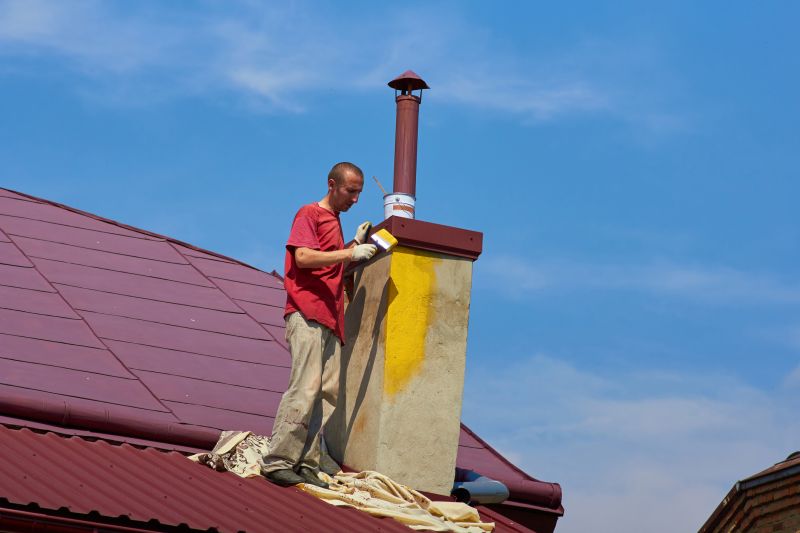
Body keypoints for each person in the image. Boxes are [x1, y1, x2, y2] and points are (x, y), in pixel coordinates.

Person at [262, 162, 377, 488]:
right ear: (332, 184)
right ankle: (279, 461)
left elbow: (330, 265)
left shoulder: (335, 223)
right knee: (305, 387)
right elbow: (303, 258)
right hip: (307, 312)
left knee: (326, 393)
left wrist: (351, 246)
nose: (355, 199)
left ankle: (307, 463)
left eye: (359, 193)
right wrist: (349, 254)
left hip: (330, 319)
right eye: (350, 191)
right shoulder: (309, 213)